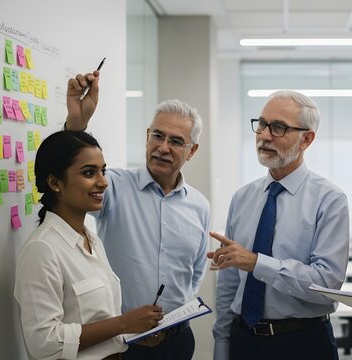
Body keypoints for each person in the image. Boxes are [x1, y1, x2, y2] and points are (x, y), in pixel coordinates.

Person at [65, 71, 210, 360]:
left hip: (178, 341)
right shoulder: (113, 186)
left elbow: (193, 276)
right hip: (123, 344)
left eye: (176, 141)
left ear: (191, 151)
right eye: (158, 136)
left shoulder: (199, 205)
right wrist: (78, 124)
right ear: (147, 137)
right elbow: (71, 175)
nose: (163, 147)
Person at [209, 90, 350, 360]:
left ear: (306, 139)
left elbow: (326, 284)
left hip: (302, 344)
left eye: (278, 127)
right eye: (261, 124)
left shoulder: (329, 200)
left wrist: (256, 262)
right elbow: (229, 283)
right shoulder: (243, 198)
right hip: (243, 341)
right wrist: (222, 343)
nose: (264, 135)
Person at [14, 131, 163, 360]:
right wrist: (123, 323)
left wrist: (131, 332)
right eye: (89, 173)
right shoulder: (42, 249)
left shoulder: (91, 239)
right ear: (55, 183)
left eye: (102, 171)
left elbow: (96, 321)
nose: (103, 182)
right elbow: (43, 342)